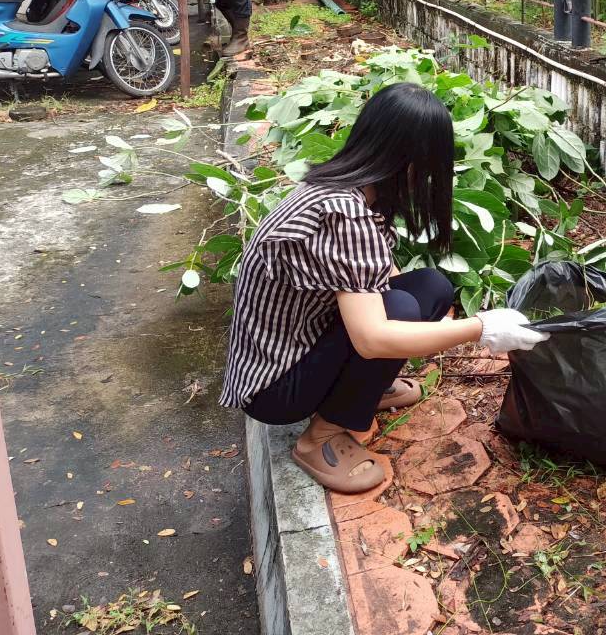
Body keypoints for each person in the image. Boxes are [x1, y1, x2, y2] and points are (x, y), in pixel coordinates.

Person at [220, 83, 548, 493]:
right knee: (400, 310)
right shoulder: (344, 213)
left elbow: (379, 274)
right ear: (410, 161)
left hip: (300, 344)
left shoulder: (343, 187)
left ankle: (361, 393)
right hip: (274, 385)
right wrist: (482, 328)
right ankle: (319, 439)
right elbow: (372, 338)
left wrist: (430, 328)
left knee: (431, 286)